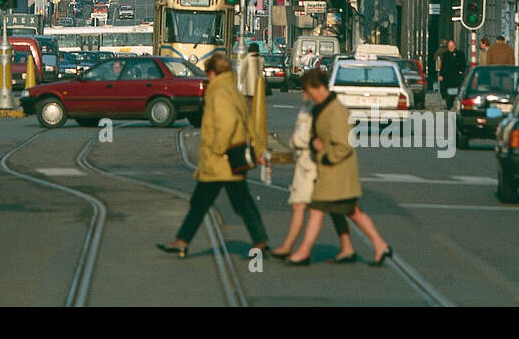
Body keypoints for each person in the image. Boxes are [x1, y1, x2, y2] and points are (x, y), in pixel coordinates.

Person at [157, 51, 269, 258]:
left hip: (220, 161)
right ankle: (259, 241)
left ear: (212, 73)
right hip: (228, 162)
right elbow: (248, 122)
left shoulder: (219, 92)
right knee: (235, 202)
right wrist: (259, 149)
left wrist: (217, 149)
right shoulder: (233, 90)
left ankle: (182, 241)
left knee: (207, 203)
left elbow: (227, 124)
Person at [284, 69, 391, 265]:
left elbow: (343, 145)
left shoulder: (336, 111)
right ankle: (373, 246)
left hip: (335, 172)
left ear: (320, 88)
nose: (307, 96)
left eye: (309, 90)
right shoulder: (325, 107)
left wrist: (322, 153)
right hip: (333, 172)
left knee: (318, 209)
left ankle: (303, 252)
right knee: (352, 211)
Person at [270, 71, 323, 260]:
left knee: (305, 205)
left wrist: (298, 141)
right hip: (303, 162)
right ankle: (351, 246)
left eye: (306, 90)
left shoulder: (322, 108)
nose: (303, 95)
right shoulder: (307, 106)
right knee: (302, 205)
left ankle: (294, 248)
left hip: (312, 164)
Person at [439, 39, 465, 104]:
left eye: (452, 46)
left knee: (457, 90)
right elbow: (443, 65)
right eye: (449, 46)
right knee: (446, 90)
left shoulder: (460, 54)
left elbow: (463, 63)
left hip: (456, 75)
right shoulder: (445, 54)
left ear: (455, 46)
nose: (450, 47)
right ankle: (448, 102)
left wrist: (461, 71)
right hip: (447, 75)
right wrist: (441, 75)